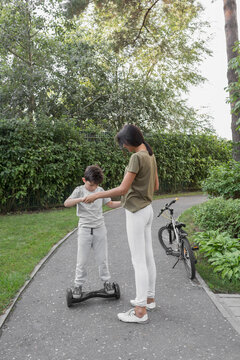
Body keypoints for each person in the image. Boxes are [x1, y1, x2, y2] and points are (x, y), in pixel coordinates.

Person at [83, 124, 159, 324]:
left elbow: (124, 188)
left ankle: (140, 310)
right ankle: (149, 299)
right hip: (147, 210)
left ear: (129, 141)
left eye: (123, 144)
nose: (124, 148)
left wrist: (97, 194)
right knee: (148, 257)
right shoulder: (150, 155)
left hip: (135, 212)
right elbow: (156, 185)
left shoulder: (136, 157)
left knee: (138, 260)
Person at [64, 165, 121, 299]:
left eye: (96, 185)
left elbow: (110, 204)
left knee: (102, 259)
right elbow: (67, 203)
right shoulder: (79, 190)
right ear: (84, 180)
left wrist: (125, 202)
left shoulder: (100, 191)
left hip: (100, 229)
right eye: (91, 185)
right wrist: (81, 199)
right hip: (84, 229)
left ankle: (107, 282)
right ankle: (78, 286)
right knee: (81, 260)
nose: (94, 188)